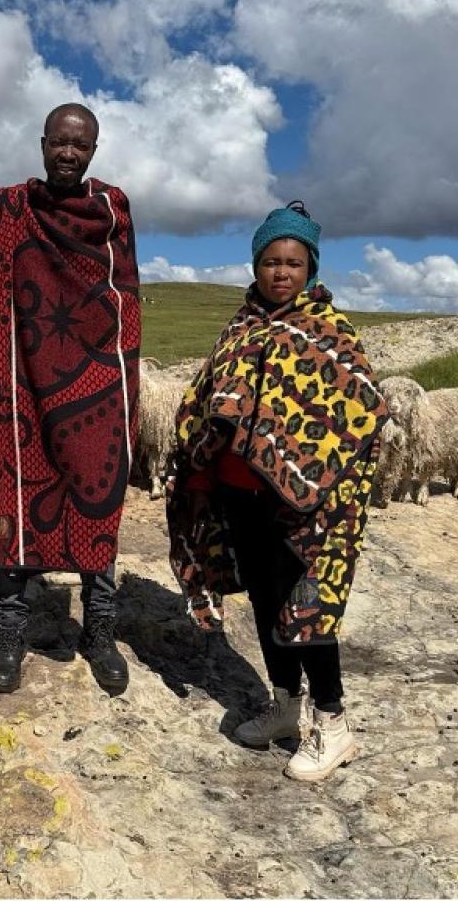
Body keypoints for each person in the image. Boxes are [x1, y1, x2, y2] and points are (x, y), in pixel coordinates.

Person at [165, 201, 388, 782]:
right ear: (256, 265)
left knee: (307, 608)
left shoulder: (330, 332)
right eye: (269, 262)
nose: (280, 273)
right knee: (266, 602)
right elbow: (206, 400)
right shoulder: (239, 327)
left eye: (292, 262)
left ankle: (333, 724)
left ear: (309, 267)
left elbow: (360, 410)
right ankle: (285, 707)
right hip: (241, 495)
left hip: (304, 506)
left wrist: (308, 477)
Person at [0, 103, 141, 695]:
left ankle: (99, 632)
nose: (68, 154)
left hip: (95, 382)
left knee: (99, 502)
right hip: (17, 379)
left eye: (81, 145)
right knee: (12, 499)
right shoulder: (5, 211)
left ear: (93, 151)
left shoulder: (110, 211)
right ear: (43, 143)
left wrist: (110, 369)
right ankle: (10, 634)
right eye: (59, 143)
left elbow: (121, 298)